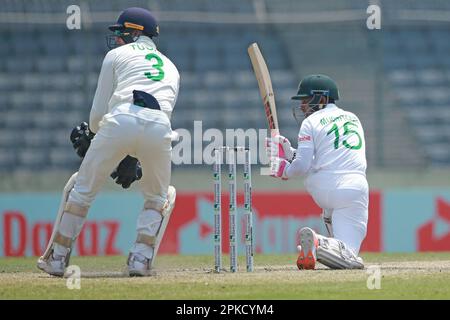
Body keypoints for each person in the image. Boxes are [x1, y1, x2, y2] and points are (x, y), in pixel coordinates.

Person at [37, 7, 180, 277]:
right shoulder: (172, 67)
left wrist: (96, 139)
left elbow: (98, 115)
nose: (116, 39)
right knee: (158, 197)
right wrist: (133, 155)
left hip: (120, 118)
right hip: (160, 127)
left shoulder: (116, 55)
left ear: (135, 32)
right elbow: (154, 117)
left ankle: (57, 259)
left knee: (82, 190)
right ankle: (139, 261)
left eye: (120, 33)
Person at [267, 74, 368, 269]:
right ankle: (319, 243)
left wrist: (284, 168)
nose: (303, 106)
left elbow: (304, 166)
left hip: (321, 189)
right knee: (351, 257)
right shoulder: (353, 118)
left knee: (342, 258)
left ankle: (323, 244)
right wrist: (290, 157)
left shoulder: (310, 123)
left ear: (321, 99)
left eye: (306, 100)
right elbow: (332, 157)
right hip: (353, 188)